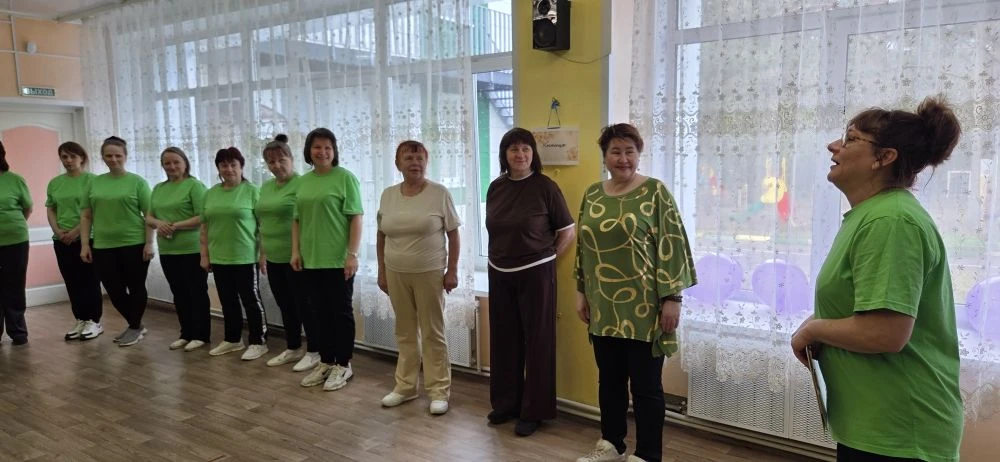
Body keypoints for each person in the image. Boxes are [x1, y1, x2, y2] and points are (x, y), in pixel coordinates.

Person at [790, 97, 963, 462]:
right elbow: (861, 307)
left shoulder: (891, 221)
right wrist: (818, 325)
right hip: (875, 421)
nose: (834, 146)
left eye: (850, 139)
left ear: (884, 157)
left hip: (899, 430)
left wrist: (813, 330)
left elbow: (885, 333)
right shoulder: (873, 215)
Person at [574, 123, 696, 462]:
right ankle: (611, 444)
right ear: (605, 156)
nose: (623, 158)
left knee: (646, 387)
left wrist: (673, 298)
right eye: (615, 151)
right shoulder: (593, 194)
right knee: (609, 381)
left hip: (645, 308)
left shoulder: (655, 192)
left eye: (629, 151)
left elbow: (672, 245)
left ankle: (647, 454)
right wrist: (581, 291)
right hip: (604, 306)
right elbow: (584, 247)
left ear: (639, 154)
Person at [485, 128, 576, 436]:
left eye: (525, 149)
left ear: (533, 153)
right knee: (504, 340)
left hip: (536, 273)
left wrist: (548, 257)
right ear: (504, 154)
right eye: (513, 149)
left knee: (538, 342)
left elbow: (568, 231)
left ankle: (534, 411)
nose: (520, 154)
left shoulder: (545, 187)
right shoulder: (496, 187)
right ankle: (506, 403)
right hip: (499, 272)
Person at [376, 140, 461, 415]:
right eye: (408, 158)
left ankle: (439, 391)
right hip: (396, 272)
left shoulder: (439, 193)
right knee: (405, 332)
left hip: (430, 273)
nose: (415, 163)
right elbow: (381, 235)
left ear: (426, 162)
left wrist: (452, 270)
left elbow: (453, 234)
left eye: (419, 158)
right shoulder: (388, 195)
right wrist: (381, 271)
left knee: (433, 332)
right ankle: (405, 387)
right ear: (398, 163)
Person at [294, 128, 363, 391]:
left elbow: (356, 217)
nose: (322, 152)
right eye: (317, 147)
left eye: (327, 147)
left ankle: (343, 364)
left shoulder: (345, 178)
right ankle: (326, 361)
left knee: (340, 313)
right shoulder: (303, 182)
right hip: (310, 259)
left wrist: (352, 255)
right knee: (318, 313)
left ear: (334, 151)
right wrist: (295, 251)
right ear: (308, 151)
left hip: (338, 260)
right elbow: (296, 219)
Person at [80, 136, 154, 347]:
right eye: (108, 155)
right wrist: (85, 244)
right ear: (102, 157)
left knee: (136, 286)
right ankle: (136, 324)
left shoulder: (137, 182)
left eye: (118, 155)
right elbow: (86, 215)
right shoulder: (94, 183)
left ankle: (134, 327)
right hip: (103, 245)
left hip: (134, 243)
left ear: (125, 156)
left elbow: (149, 214)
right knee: (113, 290)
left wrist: (149, 243)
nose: (113, 159)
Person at [256, 134, 318, 371]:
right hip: (273, 255)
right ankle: (293, 347)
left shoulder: (302, 184)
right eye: (271, 162)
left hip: (297, 257)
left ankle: (314, 351)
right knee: (285, 304)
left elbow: (305, 220)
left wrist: (297, 251)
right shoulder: (266, 187)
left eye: (282, 160)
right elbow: (263, 222)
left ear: (292, 159)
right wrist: (263, 253)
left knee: (305, 305)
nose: (277, 166)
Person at [200, 147, 267, 361]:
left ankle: (258, 341)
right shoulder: (211, 193)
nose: (228, 169)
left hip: (245, 256)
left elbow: (264, 226)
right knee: (227, 300)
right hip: (219, 256)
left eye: (233, 165)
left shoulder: (252, 191)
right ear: (218, 168)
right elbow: (204, 227)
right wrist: (204, 255)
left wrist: (263, 255)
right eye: (224, 165)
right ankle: (233, 339)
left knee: (251, 300)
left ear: (241, 166)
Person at [148, 147, 210, 351]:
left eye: (176, 162)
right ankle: (186, 333)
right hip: (168, 250)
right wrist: (159, 223)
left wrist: (175, 226)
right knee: (179, 293)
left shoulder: (194, 186)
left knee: (196, 292)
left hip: (192, 249)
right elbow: (149, 217)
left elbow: (203, 216)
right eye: (167, 163)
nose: (172, 166)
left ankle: (201, 335)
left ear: (185, 163)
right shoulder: (158, 188)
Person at [46, 142, 103, 341]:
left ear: (82, 158)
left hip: (87, 238)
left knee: (89, 280)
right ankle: (80, 318)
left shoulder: (93, 181)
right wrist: (58, 231)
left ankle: (94, 321)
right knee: (72, 281)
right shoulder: (55, 183)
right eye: (64, 157)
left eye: (72, 156)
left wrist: (75, 232)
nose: (68, 161)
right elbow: (51, 208)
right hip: (62, 240)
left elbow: (93, 211)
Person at [0, 140, 33, 346]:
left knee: (14, 286)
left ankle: (18, 332)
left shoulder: (15, 180)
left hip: (15, 240)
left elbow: (27, 208)